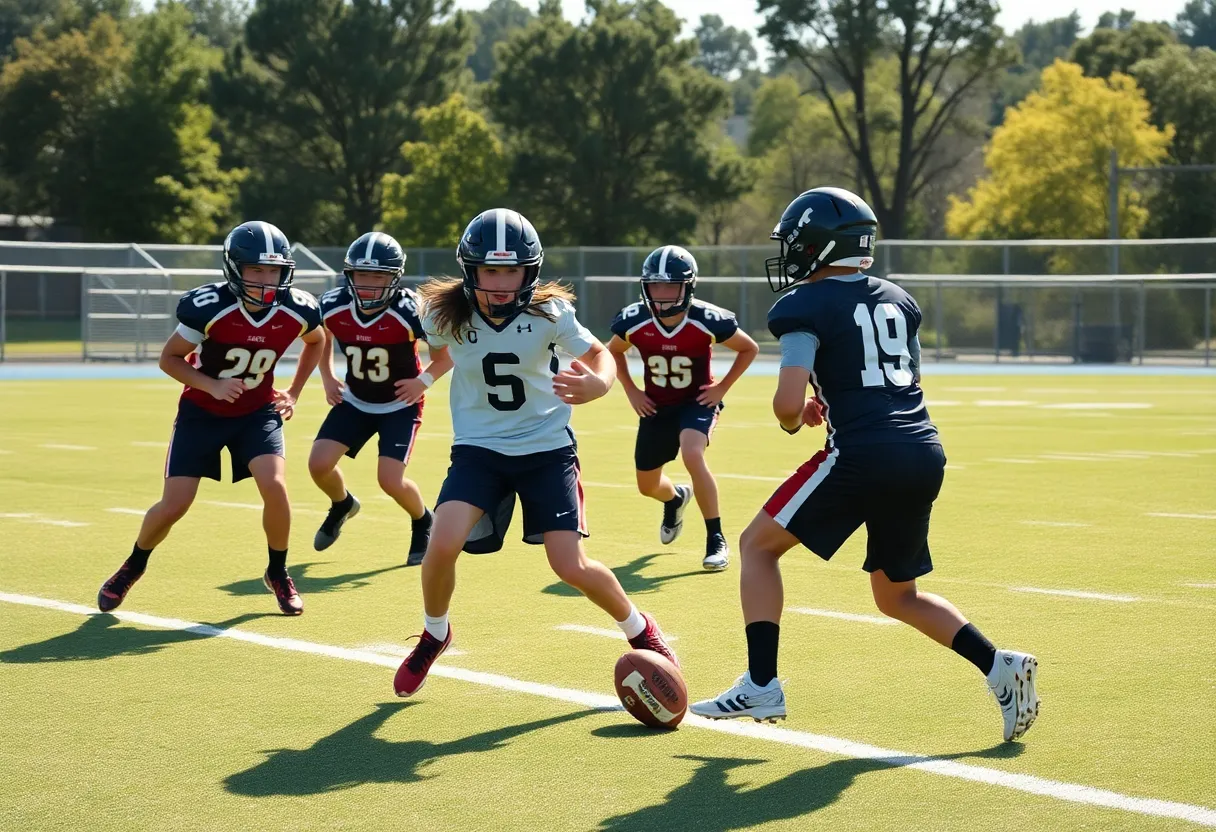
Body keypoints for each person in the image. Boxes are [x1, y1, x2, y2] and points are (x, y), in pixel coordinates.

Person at [689, 188, 1039, 742]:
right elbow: (894, 380)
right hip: (923, 451)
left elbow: (786, 403)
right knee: (897, 594)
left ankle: (760, 683)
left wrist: (794, 417)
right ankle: (1000, 666)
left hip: (861, 453)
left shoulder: (804, 305)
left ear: (819, 246)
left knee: (757, 546)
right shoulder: (899, 299)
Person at [392, 208, 678, 697]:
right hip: (479, 448)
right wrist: (424, 378)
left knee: (569, 565)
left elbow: (600, 355)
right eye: (490, 270)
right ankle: (435, 633)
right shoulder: (442, 313)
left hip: (546, 448)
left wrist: (600, 385)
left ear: (531, 271)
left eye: (513, 270)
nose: (502, 282)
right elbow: (445, 351)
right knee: (440, 545)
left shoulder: (549, 312)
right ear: (470, 270)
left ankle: (639, 628)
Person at [97, 221, 326, 615]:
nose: (266, 279)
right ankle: (133, 565)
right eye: (256, 269)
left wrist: (294, 391)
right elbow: (169, 358)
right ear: (234, 268)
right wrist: (210, 385)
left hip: (256, 412)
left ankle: (278, 571)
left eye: (273, 270)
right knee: (175, 505)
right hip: (202, 413)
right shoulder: (210, 306)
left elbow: (317, 340)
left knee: (275, 485)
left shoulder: (297, 307)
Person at [606, 245, 758, 570]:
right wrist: (632, 390)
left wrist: (722, 388)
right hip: (656, 405)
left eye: (670, 285)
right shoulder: (634, 319)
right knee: (647, 485)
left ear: (687, 286)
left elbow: (748, 348)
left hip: (696, 401)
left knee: (692, 453)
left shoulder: (706, 319)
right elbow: (613, 352)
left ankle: (715, 537)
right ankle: (676, 498)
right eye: (655, 285)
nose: (661, 294)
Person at [309, 232, 453, 565]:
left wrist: (423, 381)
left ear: (394, 277)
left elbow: (445, 356)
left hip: (399, 405)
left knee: (389, 479)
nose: (369, 284)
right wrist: (328, 376)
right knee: (318, 464)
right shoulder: (333, 304)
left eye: (379, 277)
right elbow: (319, 338)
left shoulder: (412, 310)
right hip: (356, 399)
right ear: (350, 275)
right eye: (362, 275)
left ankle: (422, 520)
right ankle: (343, 503)